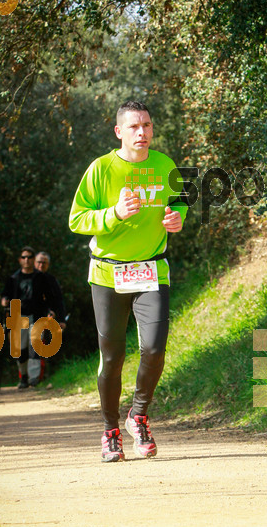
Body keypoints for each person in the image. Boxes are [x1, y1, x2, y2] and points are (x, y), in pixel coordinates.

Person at [69, 100, 187, 462]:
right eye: (134, 127)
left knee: (153, 348)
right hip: (108, 274)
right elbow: (77, 220)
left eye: (147, 126)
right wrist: (114, 214)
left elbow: (180, 201)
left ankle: (138, 415)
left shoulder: (165, 165)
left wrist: (177, 219)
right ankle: (109, 430)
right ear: (119, 132)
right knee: (113, 356)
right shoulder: (101, 169)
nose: (142, 133)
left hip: (152, 270)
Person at [1, 246, 58, 388]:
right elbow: (5, 294)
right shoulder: (13, 278)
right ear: (20, 260)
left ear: (33, 259)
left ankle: (34, 379)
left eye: (29, 257)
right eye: (24, 257)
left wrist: (51, 310)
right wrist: (4, 301)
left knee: (35, 348)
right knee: (21, 350)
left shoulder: (40, 278)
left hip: (37, 316)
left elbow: (50, 296)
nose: (27, 260)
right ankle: (23, 377)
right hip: (18, 316)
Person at [35, 251, 67, 383]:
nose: (41, 265)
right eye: (39, 262)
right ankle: (26, 378)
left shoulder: (51, 280)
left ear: (48, 264)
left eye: (44, 263)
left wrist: (61, 319)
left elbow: (58, 300)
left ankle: (41, 378)